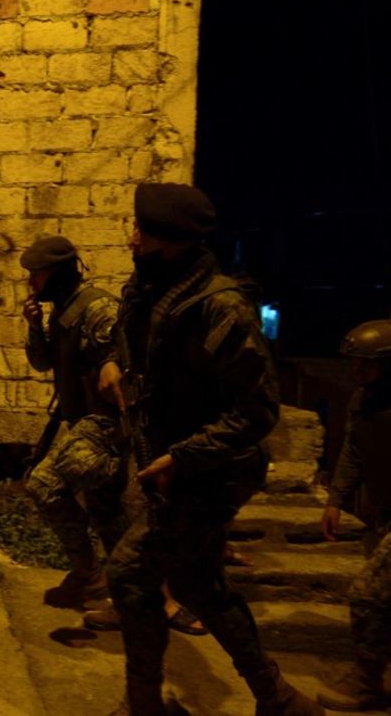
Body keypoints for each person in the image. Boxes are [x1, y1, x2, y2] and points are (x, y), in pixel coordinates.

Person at [99, 183, 322, 715]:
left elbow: (257, 413)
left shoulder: (220, 307)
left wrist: (184, 457)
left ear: (171, 242)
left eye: (142, 231)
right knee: (198, 584)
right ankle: (278, 698)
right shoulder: (153, 285)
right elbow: (130, 339)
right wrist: (112, 361)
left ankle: (149, 704)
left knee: (133, 573)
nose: (131, 240)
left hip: (214, 470)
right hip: (173, 464)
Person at [20, 235, 125, 608]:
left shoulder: (96, 307)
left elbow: (120, 357)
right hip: (81, 420)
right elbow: (43, 362)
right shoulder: (63, 309)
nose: (32, 282)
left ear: (60, 273)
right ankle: (125, 588)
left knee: (44, 484)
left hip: (104, 425)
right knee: (107, 513)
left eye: (38, 274)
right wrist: (34, 326)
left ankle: (89, 575)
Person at [316, 319, 391, 712]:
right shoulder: (364, 400)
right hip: (383, 514)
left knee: (368, 595)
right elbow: (354, 451)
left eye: (367, 364)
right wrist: (336, 500)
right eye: (355, 364)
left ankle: (367, 682)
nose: (357, 372)